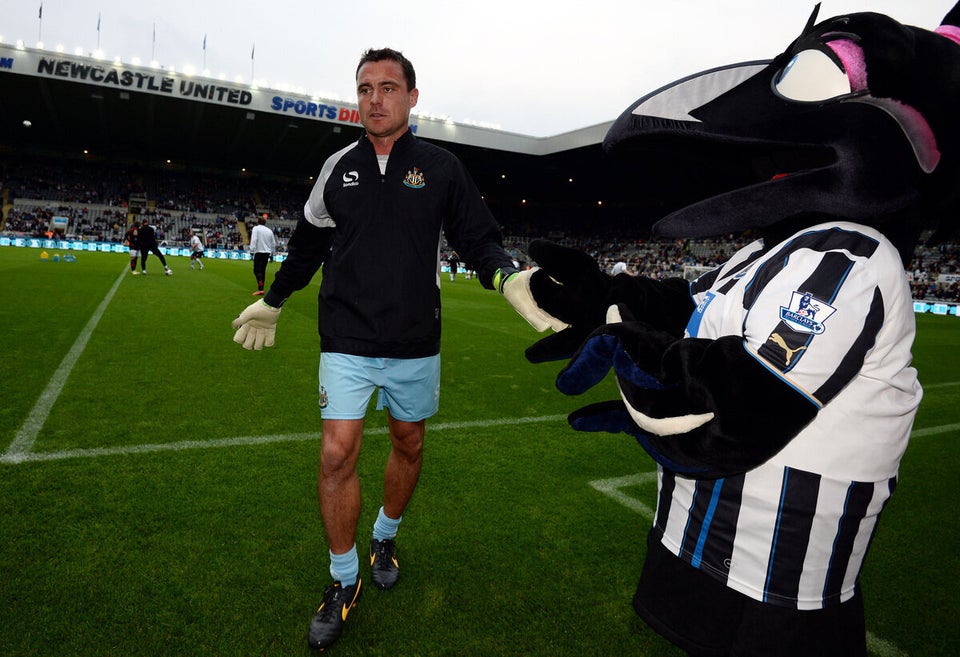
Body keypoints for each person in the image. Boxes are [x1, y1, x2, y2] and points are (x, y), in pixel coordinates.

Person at [230, 47, 551, 652]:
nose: (374, 99)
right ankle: (343, 581)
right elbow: (305, 246)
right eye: (364, 89)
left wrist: (506, 276)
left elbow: (478, 237)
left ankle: (385, 534)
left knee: (409, 443)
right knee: (336, 453)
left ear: (411, 96)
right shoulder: (336, 169)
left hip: (413, 340)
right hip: (345, 336)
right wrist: (275, 299)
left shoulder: (442, 168)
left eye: (387, 87)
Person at [248, 215, 276, 295]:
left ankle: (260, 288)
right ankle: (261, 289)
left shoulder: (256, 229)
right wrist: (272, 254)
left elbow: (254, 239)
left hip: (259, 251)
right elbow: (273, 243)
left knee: (256, 270)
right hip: (267, 253)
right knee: (262, 270)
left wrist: (251, 251)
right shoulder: (269, 231)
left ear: (258, 222)